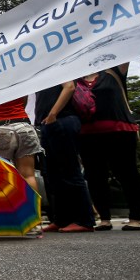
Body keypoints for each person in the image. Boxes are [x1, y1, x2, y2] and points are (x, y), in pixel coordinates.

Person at [79, 64, 140, 231]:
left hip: (120, 130)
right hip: (87, 134)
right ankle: (104, 218)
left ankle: (135, 218)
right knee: (95, 176)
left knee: (127, 173)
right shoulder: (75, 80)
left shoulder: (113, 71)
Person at [35, 82, 95, 233]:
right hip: (47, 124)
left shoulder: (57, 64)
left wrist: (53, 114)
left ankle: (84, 220)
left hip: (61, 120)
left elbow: (69, 87)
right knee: (54, 175)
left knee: (70, 171)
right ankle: (62, 219)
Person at [0, 97, 43, 194]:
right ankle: (34, 208)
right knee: (28, 175)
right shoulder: (16, 81)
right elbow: (23, 101)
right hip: (24, 126)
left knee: (1, 178)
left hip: (0, 128)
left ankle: (8, 208)